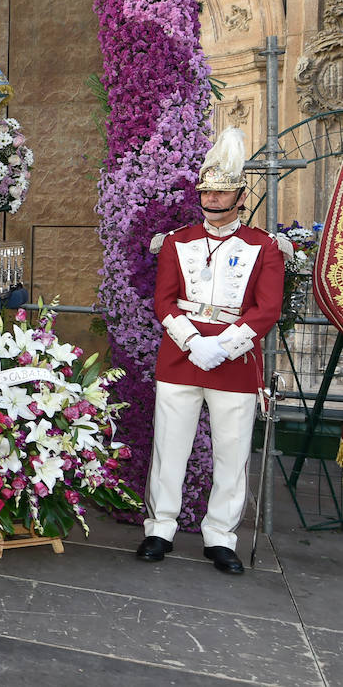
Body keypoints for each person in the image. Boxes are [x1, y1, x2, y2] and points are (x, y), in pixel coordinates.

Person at [136, 127, 285, 575]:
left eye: (223, 193)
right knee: (169, 446)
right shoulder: (175, 242)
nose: (214, 201)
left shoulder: (265, 246)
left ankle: (220, 537)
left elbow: (267, 308)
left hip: (235, 358)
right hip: (182, 354)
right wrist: (193, 341)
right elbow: (162, 301)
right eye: (207, 193)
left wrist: (224, 345)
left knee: (232, 451)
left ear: (241, 196)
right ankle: (159, 528)